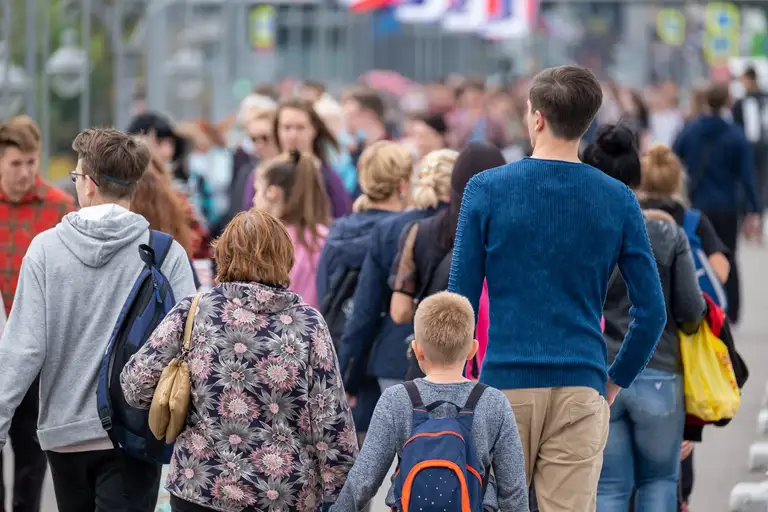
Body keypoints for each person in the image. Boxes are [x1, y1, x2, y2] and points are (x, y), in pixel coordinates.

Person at [449, 65, 667, 512]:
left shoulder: (485, 190)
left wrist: (461, 379)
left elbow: (460, 302)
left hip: (502, 384)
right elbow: (652, 312)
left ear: (536, 118)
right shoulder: (618, 198)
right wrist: (613, 382)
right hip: (580, 383)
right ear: (586, 123)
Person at [0, 128, 196, 511]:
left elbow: (23, 349)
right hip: (136, 433)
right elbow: (190, 345)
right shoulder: (163, 253)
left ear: (88, 184)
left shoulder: (45, 250)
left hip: (63, 432)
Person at [120, 209, 357, 512]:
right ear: (284, 257)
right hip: (283, 495)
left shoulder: (194, 312)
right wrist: (339, 491)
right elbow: (330, 420)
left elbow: (135, 385)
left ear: (224, 255)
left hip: (200, 486)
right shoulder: (308, 324)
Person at [581, 124, 706, 512]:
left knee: (610, 489)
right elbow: (690, 310)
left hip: (600, 372)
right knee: (658, 483)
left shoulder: (582, 232)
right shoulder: (666, 233)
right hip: (660, 373)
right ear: (637, 176)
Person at [330, 291, 529, 511]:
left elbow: (363, 480)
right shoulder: (493, 402)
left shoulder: (396, 399)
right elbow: (514, 490)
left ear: (417, 350)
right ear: (473, 349)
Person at [316, 140, 413, 459]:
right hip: (394, 358)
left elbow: (323, 293)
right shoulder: (407, 232)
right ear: (402, 184)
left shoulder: (338, 232)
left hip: (344, 357)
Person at [338, 148, 457, 400]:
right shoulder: (465, 227)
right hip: (455, 356)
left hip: (395, 353)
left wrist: (349, 375)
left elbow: (365, 309)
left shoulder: (391, 230)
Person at [0, 116, 75, 512]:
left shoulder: (60, 210)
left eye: (32, 162)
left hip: (35, 348)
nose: (26, 172)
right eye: (16, 164)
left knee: (30, 448)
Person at [389, 142, 506, 380]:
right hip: (491, 364)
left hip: (432, 362)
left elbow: (399, 310)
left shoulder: (420, 232)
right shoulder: (507, 237)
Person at [673, 82, 762, 325]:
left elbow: (674, 158)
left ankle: (698, 301)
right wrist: (755, 209)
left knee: (695, 255)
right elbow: (747, 175)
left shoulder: (690, 131)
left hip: (697, 206)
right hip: (727, 207)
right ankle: (731, 311)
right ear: (726, 103)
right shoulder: (735, 135)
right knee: (728, 255)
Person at [252, 150, 330, 308]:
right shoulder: (324, 237)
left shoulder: (269, 243)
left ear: (272, 193)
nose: (253, 199)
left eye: (257, 190)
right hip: (316, 329)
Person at [274, 98, 351, 218]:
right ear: (277, 130)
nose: (293, 135)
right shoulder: (263, 176)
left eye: (300, 127)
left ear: (313, 130)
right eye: (287, 127)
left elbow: (342, 219)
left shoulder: (329, 177)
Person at [732, 67, 768, 212]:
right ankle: (752, 208)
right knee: (751, 178)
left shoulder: (761, 99)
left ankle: (758, 208)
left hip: (762, 146)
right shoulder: (741, 102)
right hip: (749, 145)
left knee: (760, 179)